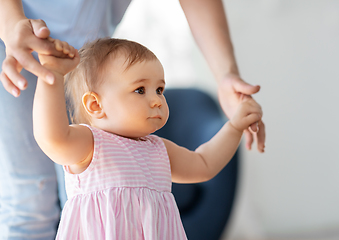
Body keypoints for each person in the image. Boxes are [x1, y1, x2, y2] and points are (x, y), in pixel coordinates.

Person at [0, 0, 265, 239]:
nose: (157, 100)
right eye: (140, 90)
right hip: (31, 36)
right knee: (30, 203)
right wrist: (53, 77)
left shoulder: (159, 150)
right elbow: (51, 137)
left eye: (159, 89)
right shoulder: (91, 145)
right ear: (95, 105)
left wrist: (234, 126)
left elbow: (204, 163)